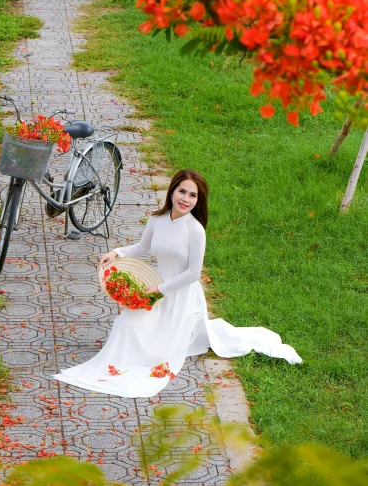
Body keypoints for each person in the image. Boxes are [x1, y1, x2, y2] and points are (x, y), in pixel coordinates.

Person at [54, 169, 301, 398]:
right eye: (182, 191)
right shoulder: (157, 220)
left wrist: (159, 289)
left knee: (159, 349)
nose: (186, 199)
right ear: (172, 191)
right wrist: (116, 252)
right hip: (158, 291)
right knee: (126, 323)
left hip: (181, 296)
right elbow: (143, 247)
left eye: (193, 195)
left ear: (198, 201)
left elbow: (193, 274)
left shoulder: (195, 230)